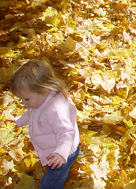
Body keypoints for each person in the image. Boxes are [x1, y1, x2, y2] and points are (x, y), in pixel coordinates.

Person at [5, 59, 80, 189]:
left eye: (26, 99)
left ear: (44, 90)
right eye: (21, 99)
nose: (23, 103)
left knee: (50, 183)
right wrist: (19, 121)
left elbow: (66, 132)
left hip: (60, 154)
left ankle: (72, 156)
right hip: (57, 147)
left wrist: (61, 153)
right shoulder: (39, 100)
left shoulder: (56, 108)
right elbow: (31, 113)